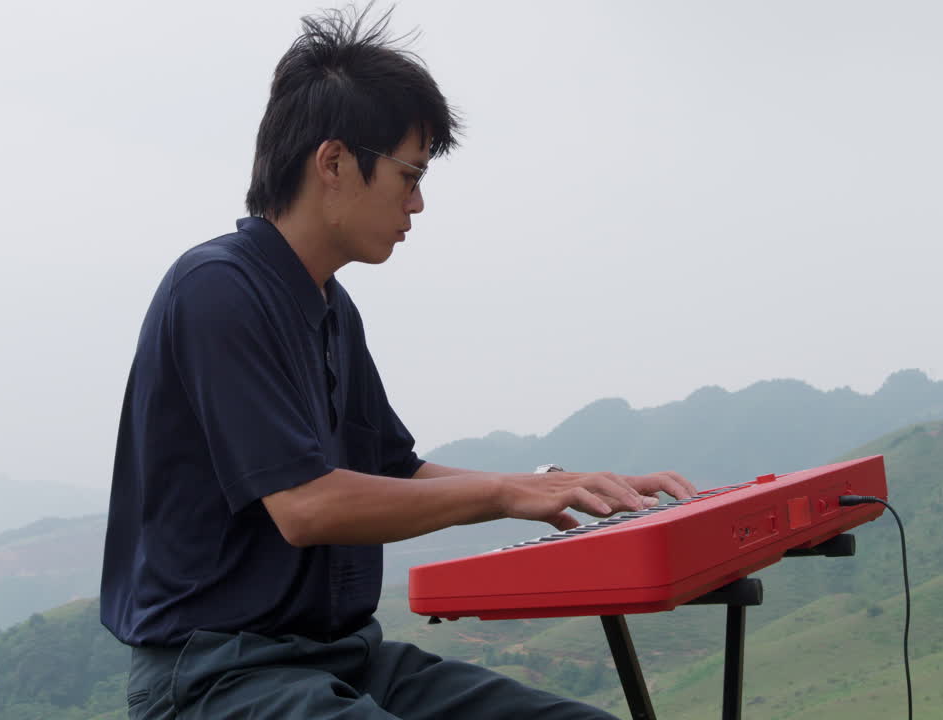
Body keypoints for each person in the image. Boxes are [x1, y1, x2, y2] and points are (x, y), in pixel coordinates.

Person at [101, 6, 696, 719]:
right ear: (333, 162)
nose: (417, 201)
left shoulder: (330, 309)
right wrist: (505, 496)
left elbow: (395, 471)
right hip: (216, 677)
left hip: (345, 657)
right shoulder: (216, 290)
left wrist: (556, 485)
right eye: (408, 174)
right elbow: (307, 504)